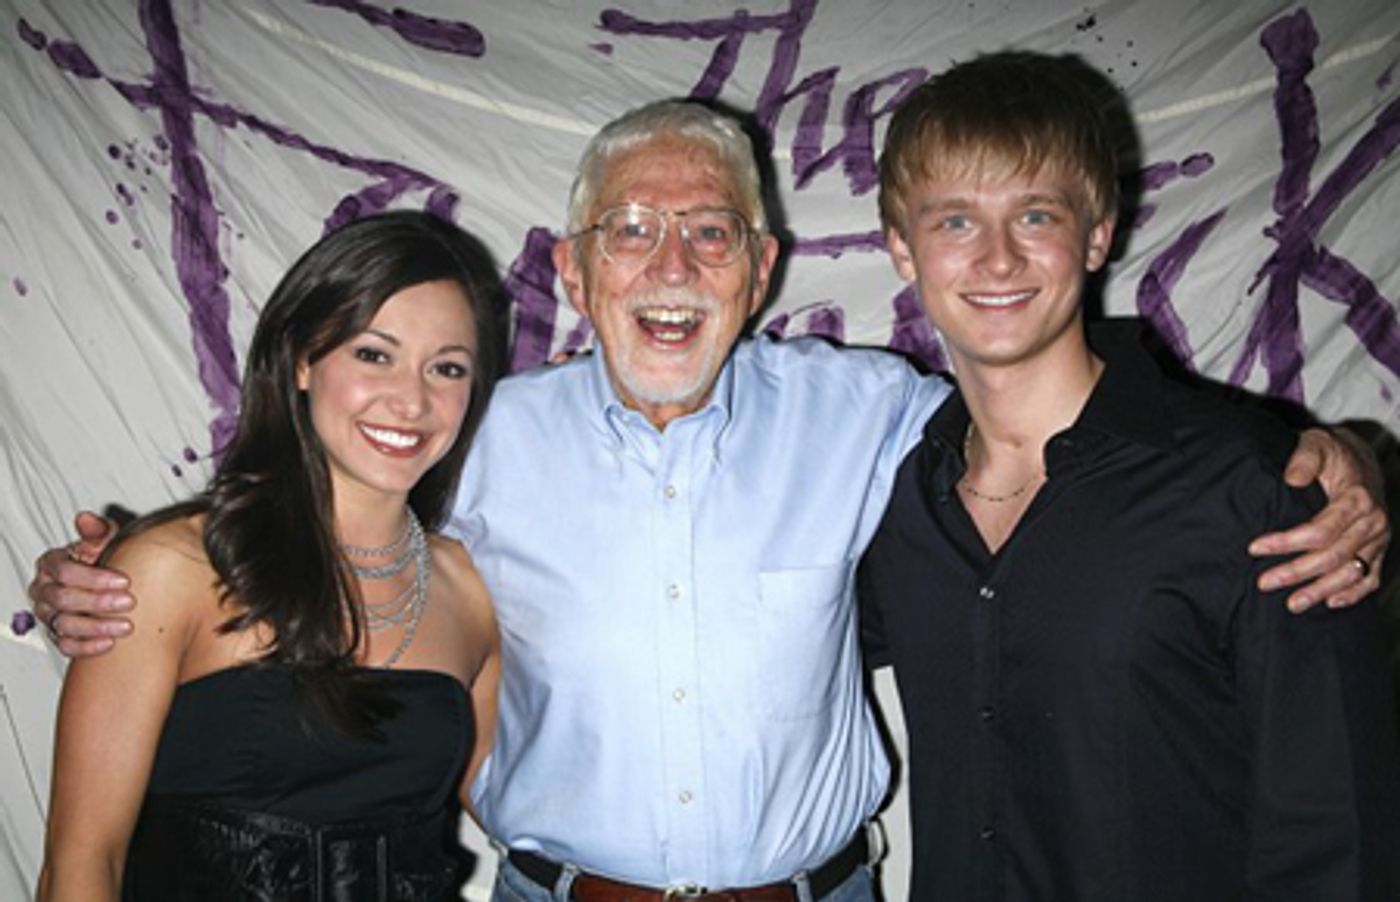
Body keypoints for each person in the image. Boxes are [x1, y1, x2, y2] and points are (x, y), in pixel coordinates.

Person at [29, 102, 1388, 902]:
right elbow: (312, 503)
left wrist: (1335, 452)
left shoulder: (877, 413)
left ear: (762, 267)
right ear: (575, 269)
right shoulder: (475, 433)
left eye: (710, 231)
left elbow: (1069, 426)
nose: (670, 261)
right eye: (629, 229)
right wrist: (104, 568)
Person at [859, 51, 1400, 900]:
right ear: (902, 248)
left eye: (1035, 215)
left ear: (1098, 234)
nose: (997, 259)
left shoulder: (1252, 487)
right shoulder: (895, 504)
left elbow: (1341, 838)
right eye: (956, 222)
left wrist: (1361, 457)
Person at [35, 211, 502, 902]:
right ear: (303, 359)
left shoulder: (469, 584)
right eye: (374, 355)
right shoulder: (171, 569)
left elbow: (524, 807)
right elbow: (82, 864)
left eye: (447, 368)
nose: (412, 400)